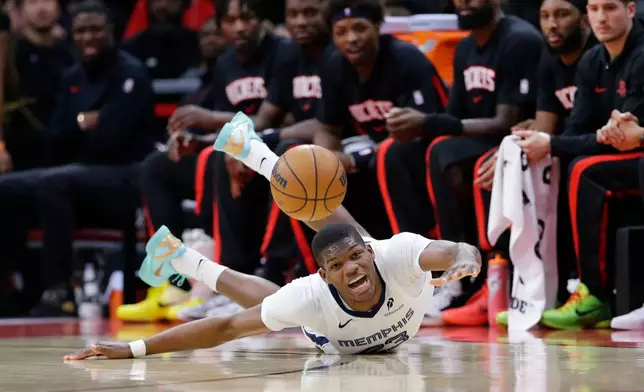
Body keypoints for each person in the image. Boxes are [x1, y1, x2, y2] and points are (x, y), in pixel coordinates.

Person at [63, 112, 482, 360]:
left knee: (338, 223)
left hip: (382, 286)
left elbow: (456, 249)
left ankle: (247, 163)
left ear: (372, 254)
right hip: (332, 333)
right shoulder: (312, 296)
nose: (352, 268)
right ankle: (181, 255)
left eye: (358, 258)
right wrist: (133, 349)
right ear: (321, 276)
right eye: (335, 267)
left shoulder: (393, 253)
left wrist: (467, 258)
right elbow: (226, 327)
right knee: (281, 303)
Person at [124, 0, 288, 322]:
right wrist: (197, 140)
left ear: (262, 20)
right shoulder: (226, 63)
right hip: (239, 151)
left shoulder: (282, 53)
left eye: (247, 18)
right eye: (231, 20)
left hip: (275, 150)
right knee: (158, 166)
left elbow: (271, 119)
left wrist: (210, 119)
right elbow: (234, 128)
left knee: (220, 160)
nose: (239, 27)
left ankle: (231, 281)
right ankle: (177, 281)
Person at [0, 0, 155, 317]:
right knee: (6, 187)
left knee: (54, 181)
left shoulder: (132, 74)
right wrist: (87, 123)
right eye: (81, 30)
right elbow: (54, 139)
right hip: (78, 176)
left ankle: (60, 290)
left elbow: (111, 141)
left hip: (124, 179)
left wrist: (81, 129)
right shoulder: (72, 76)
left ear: (111, 31)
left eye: (96, 29)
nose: (88, 37)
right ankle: (14, 286)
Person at [513, 0, 644, 329]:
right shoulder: (592, 60)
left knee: (584, 171)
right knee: (547, 163)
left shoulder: (641, 56)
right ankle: (544, 289)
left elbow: (629, 133)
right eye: (595, 8)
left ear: (631, 9)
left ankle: (593, 293)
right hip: (622, 149)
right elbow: (577, 130)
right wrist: (552, 145)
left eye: (610, 7)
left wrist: (556, 143)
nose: (602, 17)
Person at [414, 0, 545, 324]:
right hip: (483, 139)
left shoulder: (519, 39)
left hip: (521, 139)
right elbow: (457, 117)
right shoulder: (465, 48)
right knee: (410, 151)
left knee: (448, 152)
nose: (464, 2)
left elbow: (507, 120)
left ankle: (480, 277)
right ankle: (438, 269)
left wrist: (430, 122)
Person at [477, 0, 597, 326]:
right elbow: (546, 126)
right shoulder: (548, 60)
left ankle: (582, 285)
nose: (552, 25)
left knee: (576, 171)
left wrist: (546, 141)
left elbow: (571, 132)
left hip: (591, 146)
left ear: (583, 18)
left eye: (561, 15)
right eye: (545, 16)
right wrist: (512, 153)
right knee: (504, 161)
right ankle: (523, 286)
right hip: (568, 144)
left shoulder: (595, 56)